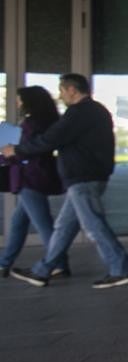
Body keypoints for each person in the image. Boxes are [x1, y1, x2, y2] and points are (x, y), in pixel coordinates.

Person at [2, 73, 128, 289]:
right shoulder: (96, 110)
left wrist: (16, 150)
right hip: (86, 177)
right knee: (63, 228)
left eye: (62, 90)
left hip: (84, 177)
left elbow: (51, 139)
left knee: (94, 225)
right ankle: (43, 270)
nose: (61, 95)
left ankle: (119, 269)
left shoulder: (79, 113)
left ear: (72, 90)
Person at [0, 86, 69, 278]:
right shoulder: (49, 121)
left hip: (28, 177)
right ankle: (5, 262)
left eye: (20, 99)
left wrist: (6, 155)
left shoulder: (31, 124)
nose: (17, 103)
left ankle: (58, 263)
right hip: (38, 175)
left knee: (43, 224)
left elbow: (23, 150)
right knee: (18, 222)